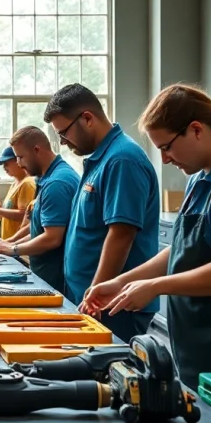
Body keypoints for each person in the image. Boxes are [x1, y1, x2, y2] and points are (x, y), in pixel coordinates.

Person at [82, 84, 211, 390]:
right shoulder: (202, 175)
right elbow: (184, 248)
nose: (166, 159)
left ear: (196, 130)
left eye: (167, 147)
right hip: (208, 338)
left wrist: (155, 287)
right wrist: (122, 282)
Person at [44, 84, 160, 342]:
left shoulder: (121, 160)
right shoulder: (101, 159)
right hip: (93, 298)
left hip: (112, 305)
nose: (63, 142)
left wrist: (95, 298)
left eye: (63, 133)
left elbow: (121, 235)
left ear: (87, 118)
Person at [0, 126, 78, 293]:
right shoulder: (48, 178)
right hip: (46, 272)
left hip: (56, 276)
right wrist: (10, 243)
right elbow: (39, 229)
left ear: (37, 149)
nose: (19, 164)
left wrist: (13, 249)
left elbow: (52, 238)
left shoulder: (56, 183)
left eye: (20, 157)